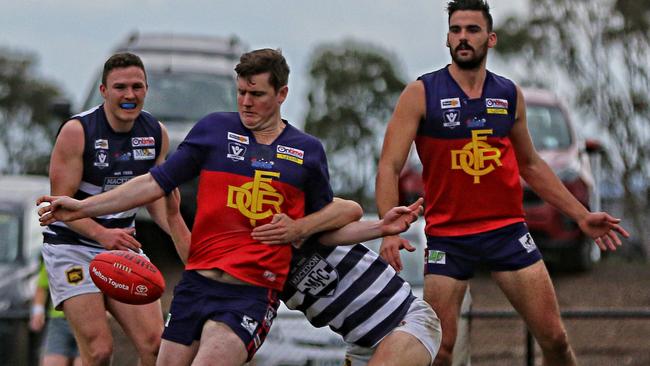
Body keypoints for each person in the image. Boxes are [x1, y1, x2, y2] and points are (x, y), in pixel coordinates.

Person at [38, 48, 346, 366]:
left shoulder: (306, 150)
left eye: (256, 94)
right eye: (240, 92)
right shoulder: (213, 131)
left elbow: (335, 212)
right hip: (191, 284)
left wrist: (303, 228)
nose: (246, 102)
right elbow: (153, 185)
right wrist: (82, 208)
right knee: (108, 351)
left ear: (282, 93)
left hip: (249, 293)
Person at [374, 1, 630, 365]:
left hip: (507, 233)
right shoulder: (421, 93)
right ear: (448, 38)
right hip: (448, 237)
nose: (463, 38)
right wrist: (387, 228)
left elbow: (531, 165)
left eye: (472, 30)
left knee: (555, 339)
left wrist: (582, 214)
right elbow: (389, 166)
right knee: (440, 350)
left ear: (490, 38)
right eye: (456, 30)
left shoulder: (509, 95)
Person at [164, 187, 440, 366]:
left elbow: (350, 210)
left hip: (407, 320)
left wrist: (300, 228)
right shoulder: (253, 260)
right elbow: (200, 262)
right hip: (361, 346)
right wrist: (174, 216)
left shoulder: (293, 215)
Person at [40, 52, 170, 366]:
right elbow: (61, 208)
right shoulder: (78, 131)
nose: (129, 95)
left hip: (120, 247)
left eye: (137, 87)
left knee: (155, 346)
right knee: (99, 352)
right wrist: (102, 234)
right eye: (120, 87)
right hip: (71, 246)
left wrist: (185, 240)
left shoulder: (155, 133)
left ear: (146, 89)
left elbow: (156, 197)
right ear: (104, 91)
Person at [30, 262, 82, 366]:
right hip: (59, 321)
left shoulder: (95, 254)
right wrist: (38, 312)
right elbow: (41, 286)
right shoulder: (55, 254)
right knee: (51, 362)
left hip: (88, 320)